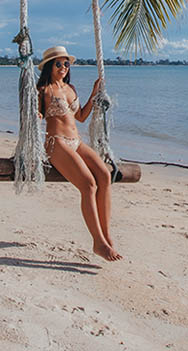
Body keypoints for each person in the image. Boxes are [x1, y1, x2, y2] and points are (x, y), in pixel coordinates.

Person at [36, 45, 121, 261]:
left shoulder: (70, 88)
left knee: (104, 175)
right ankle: (98, 242)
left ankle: (106, 234)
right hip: (57, 143)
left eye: (66, 63)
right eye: (58, 63)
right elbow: (36, 114)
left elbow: (81, 116)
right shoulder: (43, 90)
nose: (63, 67)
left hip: (76, 142)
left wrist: (94, 94)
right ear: (48, 66)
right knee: (88, 184)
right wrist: (31, 112)